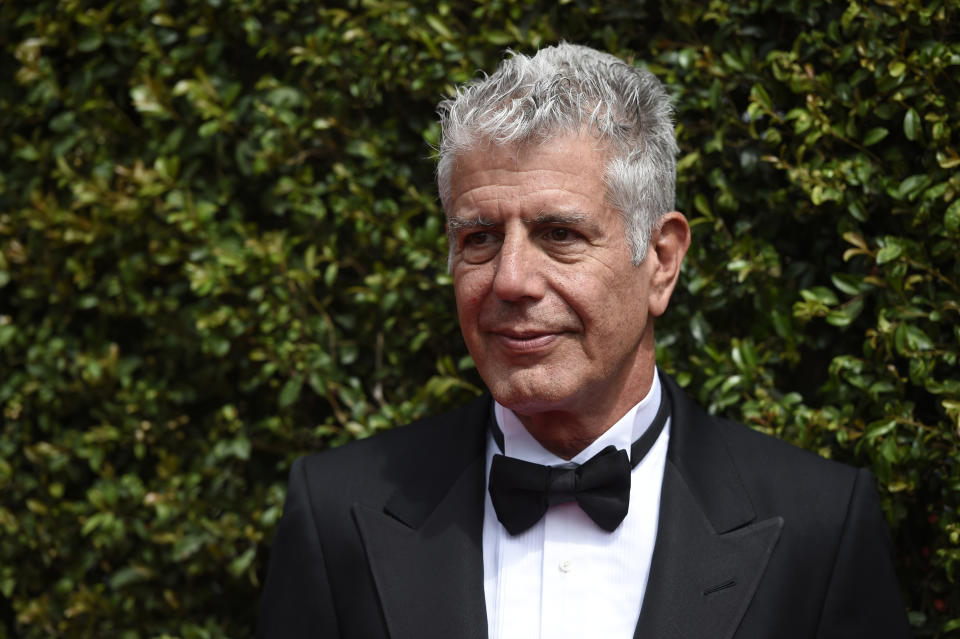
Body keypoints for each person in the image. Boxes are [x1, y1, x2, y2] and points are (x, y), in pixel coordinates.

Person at [257, 43, 910, 639]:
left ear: (661, 260)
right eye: (479, 237)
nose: (510, 279)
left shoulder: (819, 527)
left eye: (560, 235)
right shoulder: (335, 512)